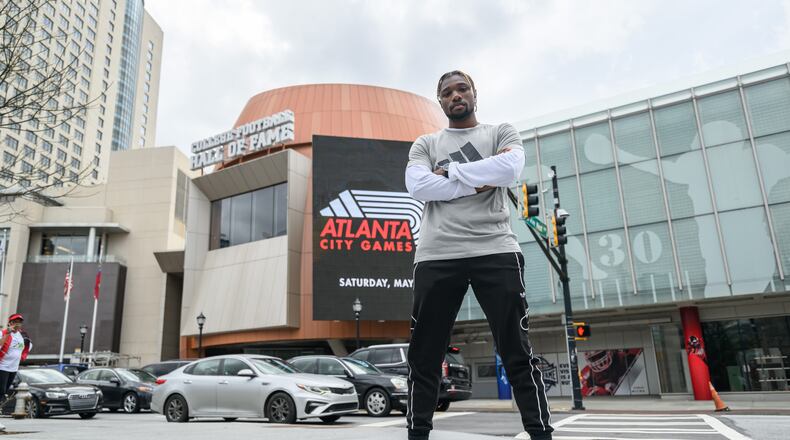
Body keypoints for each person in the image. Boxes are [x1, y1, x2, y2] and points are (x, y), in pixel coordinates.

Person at [404, 70, 553, 440]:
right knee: (424, 356)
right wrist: (481, 178)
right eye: (447, 92)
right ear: (439, 100)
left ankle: (541, 434)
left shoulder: (500, 132)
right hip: (437, 254)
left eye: (462, 88)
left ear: (474, 93)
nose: (455, 95)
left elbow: (509, 168)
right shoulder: (425, 142)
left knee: (517, 352)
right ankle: (417, 434)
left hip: (495, 249)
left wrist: (452, 172)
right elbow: (418, 185)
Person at [0, 314, 32, 398]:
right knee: (1, 391)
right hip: (2, 367)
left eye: (19, 322)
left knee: (5, 391)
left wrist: (23, 356)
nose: (17, 324)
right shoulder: (3, 333)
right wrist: (7, 333)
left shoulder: (22, 335)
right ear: (10, 323)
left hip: (13, 368)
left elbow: (28, 346)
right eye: (15, 322)